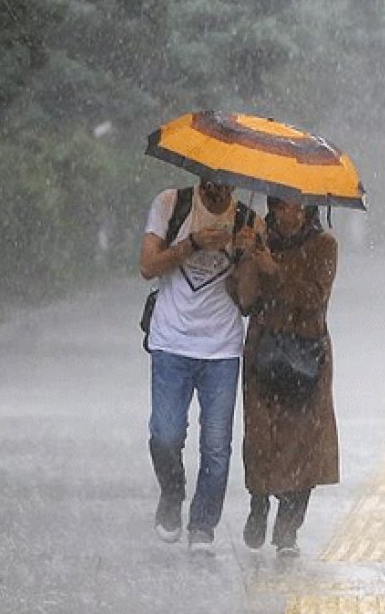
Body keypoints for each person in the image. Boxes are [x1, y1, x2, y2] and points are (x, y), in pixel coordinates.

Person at [138, 179, 256, 554]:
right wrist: (192, 244)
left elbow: (250, 300)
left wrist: (246, 255)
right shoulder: (171, 203)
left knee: (216, 445)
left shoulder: (248, 219)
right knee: (165, 435)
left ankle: (203, 524)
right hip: (171, 342)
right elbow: (147, 266)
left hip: (221, 348)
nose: (219, 190)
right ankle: (172, 493)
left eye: (227, 182)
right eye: (212, 180)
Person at [229, 195, 339, 558]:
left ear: (308, 209)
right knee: (261, 435)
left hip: (306, 353)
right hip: (264, 350)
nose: (287, 214)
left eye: (295, 207)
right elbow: (243, 301)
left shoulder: (324, 245)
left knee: (304, 444)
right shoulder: (259, 235)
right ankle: (259, 503)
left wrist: (273, 267)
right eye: (280, 206)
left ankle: (288, 530)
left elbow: (313, 298)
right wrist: (246, 257)